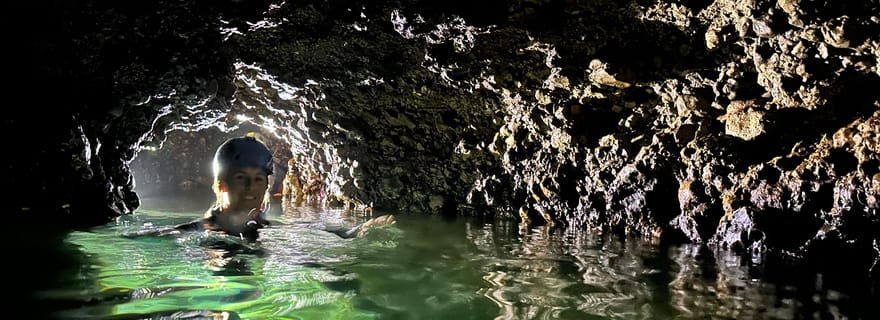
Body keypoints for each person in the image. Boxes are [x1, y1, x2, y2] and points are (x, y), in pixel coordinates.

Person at [124, 132, 395, 242]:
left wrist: (356, 231)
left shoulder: (267, 228)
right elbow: (149, 238)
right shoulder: (199, 230)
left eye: (259, 179)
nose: (252, 187)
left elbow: (314, 229)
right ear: (221, 184)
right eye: (241, 177)